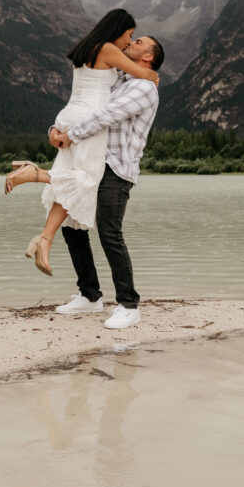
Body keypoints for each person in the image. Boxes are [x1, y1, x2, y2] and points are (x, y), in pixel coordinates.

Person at [4, 9, 159, 276]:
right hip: (89, 119)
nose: (128, 42)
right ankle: (34, 173)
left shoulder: (86, 49)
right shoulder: (109, 49)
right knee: (85, 179)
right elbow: (142, 74)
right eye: (130, 35)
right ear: (117, 29)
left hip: (70, 115)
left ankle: (45, 239)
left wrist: (57, 127)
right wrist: (153, 76)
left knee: (69, 185)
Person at [49, 32, 164, 329]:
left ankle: (129, 305)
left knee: (109, 231)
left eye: (138, 42)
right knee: (72, 224)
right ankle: (90, 296)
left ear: (148, 56)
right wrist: (56, 128)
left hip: (117, 168)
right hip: (90, 161)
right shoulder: (119, 79)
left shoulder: (143, 88)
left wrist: (70, 136)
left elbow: (106, 115)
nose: (130, 43)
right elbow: (84, 104)